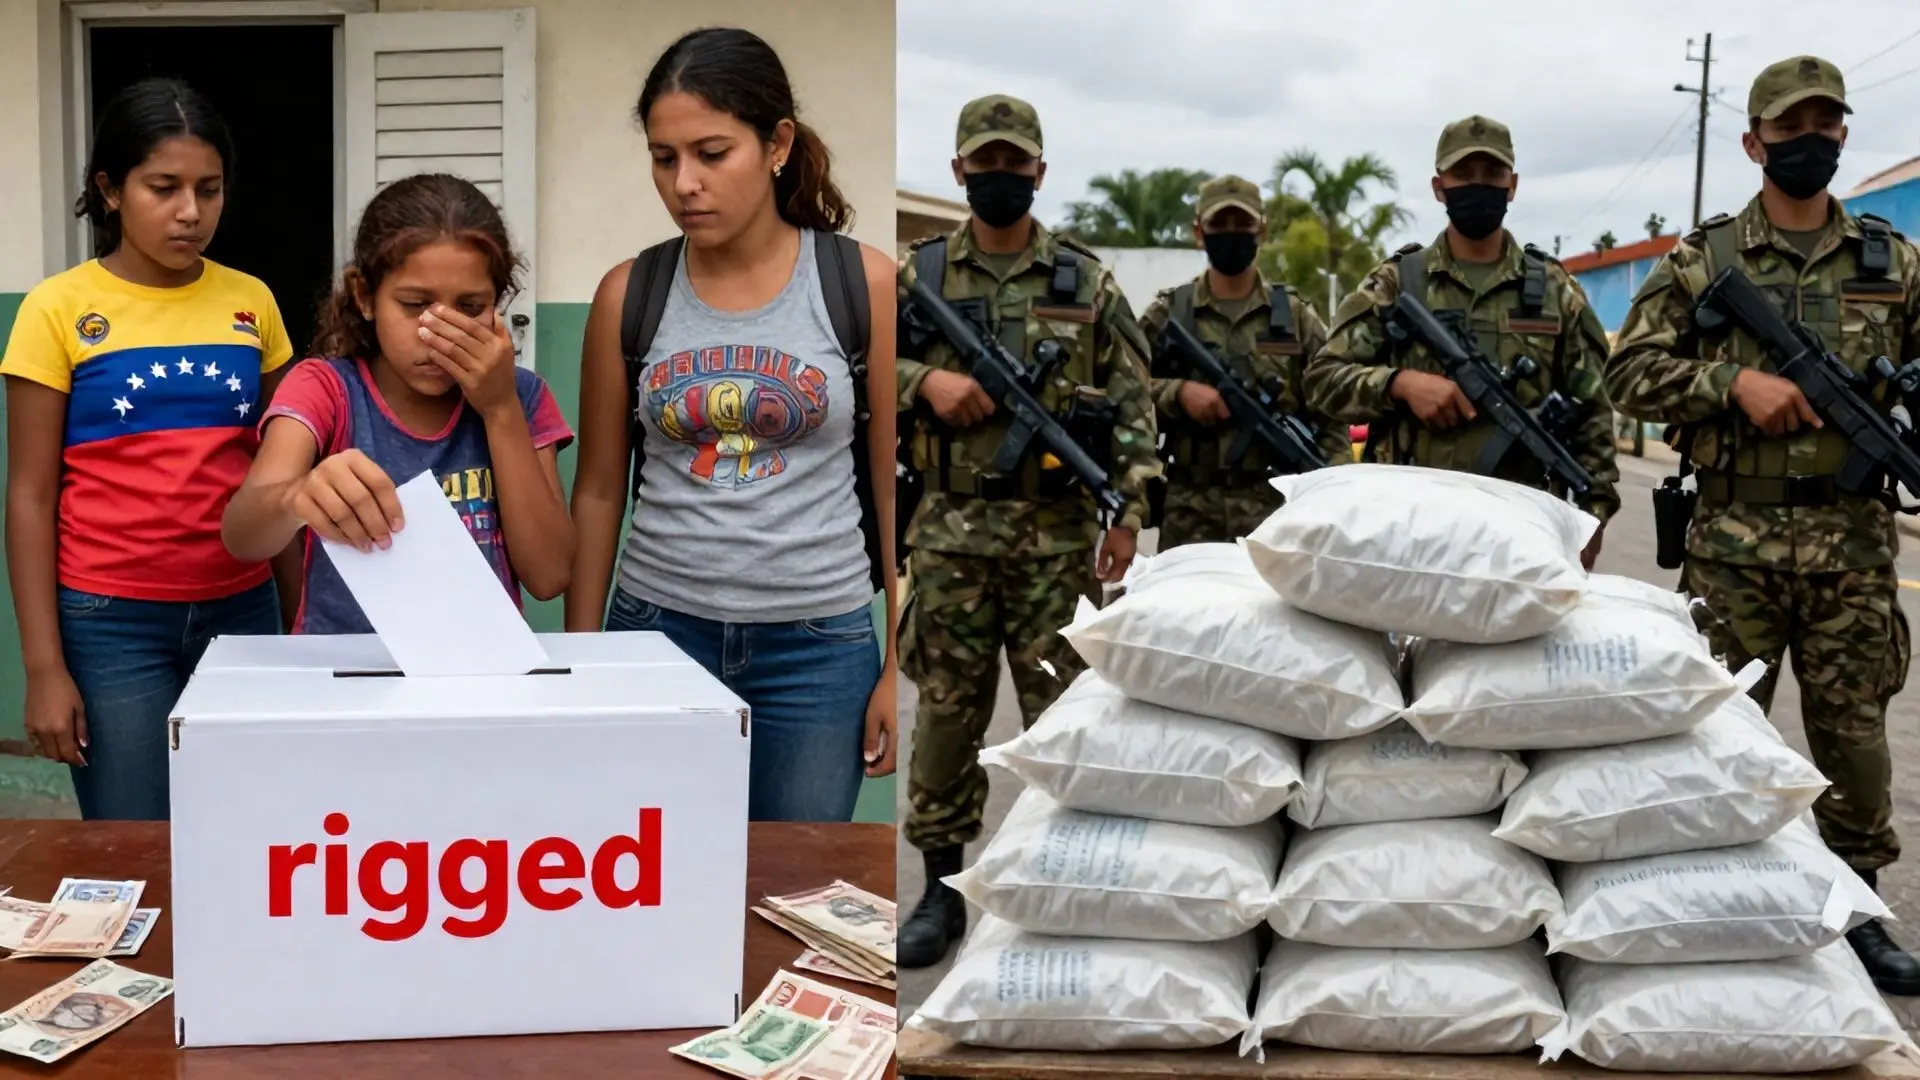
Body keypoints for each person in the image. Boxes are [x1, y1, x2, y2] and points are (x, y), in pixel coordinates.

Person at [1605, 55, 1920, 993]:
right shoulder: (1705, 260)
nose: (1809, 144)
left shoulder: (1892, 260)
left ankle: (1855, 911)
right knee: (1717, 732)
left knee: (1855, 737)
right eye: (1790, 131)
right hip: (1733, 542)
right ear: (1754, 143)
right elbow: (1627, 374)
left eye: (1825, 127)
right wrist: (1730, 383)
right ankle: (1714, 897)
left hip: (1854, 546)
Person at [563, 27, 899, 824]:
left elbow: (897, 490)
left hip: (818, 650)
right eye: (663, 156)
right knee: (656, 874)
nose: (685, 183)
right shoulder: (628, 294)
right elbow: (601, 491)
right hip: (655, 633)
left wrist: (899, 663)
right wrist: (580, 663)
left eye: (713, 153)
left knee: (793, 895)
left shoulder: (865, 286)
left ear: (777, 143)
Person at [894, 93, 1160, 968]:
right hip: (949, 537)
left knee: (1064, 714)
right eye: (986, 162)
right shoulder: (921, 276)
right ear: (958, 170)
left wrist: (1128, 511)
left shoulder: (1086, 281)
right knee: (946, 716)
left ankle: (1061, 873)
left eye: (1016, 164)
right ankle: (940, 889)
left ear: (1039, 173)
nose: (1000, 176)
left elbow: (1130, 401)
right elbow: (859, 367)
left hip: (1055, 538)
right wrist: (921, 385)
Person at [1, 78, 293, 820]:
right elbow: (31, 494)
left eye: (210, 188)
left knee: (250, 824)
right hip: (111, 621)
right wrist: (43, 667)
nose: (190, 212)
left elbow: (285, 477)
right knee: (133, 836)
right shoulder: (57, 309)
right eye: (163, 187)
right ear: (109, 189)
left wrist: (298, 627)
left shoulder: (252, 302)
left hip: (243, 611)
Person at [221, 173, 576, 630]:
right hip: (344, 672)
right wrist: (296, 495)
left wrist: (500, 409)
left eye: (470, 308)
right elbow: (243, 535)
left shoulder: (522, 396)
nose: (438, 335)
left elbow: (549, 576)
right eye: (414, 305)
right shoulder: (326, 390)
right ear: (365, 297)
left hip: (479, 672)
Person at [1304, 115, 1620, 563]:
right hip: (1407, 526)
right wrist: (1399, 385)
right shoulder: (1397, 283)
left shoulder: (1554, 291)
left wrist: (1594, 515)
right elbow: (1322, 381)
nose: (1479, 185)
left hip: (1520, 529)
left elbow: (1592, 412)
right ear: (1439, 187)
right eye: (1463, 175)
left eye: (1492, 174)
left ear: (1512, 185)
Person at [1137, 174, 1348, 547]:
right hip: (1189, 510)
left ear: (1261, 230)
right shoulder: (1171, 312)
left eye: (1243, 224)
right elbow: (1122, 388)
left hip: (1275, 511)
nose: (1231, 233)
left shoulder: (1295, 317)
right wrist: (1178, 393)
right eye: (1220, 224)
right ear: (1198, 231)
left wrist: (1336, 494)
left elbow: (1329, 410)